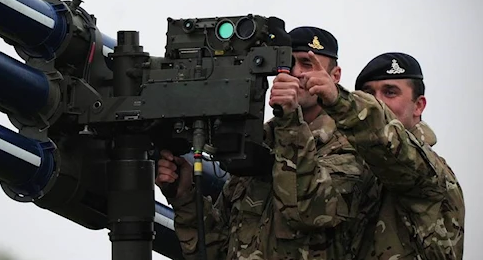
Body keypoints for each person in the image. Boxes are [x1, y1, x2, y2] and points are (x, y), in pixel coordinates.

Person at [155, 27, 381, 259]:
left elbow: (309, 212)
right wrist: (185, 198)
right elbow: (215, 251)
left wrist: (290, 121)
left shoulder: (350, 145)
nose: (296, 73)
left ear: (335, 76)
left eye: (307, 64)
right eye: (288, 63)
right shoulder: (260, 143)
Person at [306, 51, 465, 259]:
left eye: (390, 92)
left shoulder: (430, 169)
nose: (378, 102)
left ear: (419, 106)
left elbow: (397, 151)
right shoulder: (352, 168)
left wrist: (339, 102)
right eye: (368, 94)